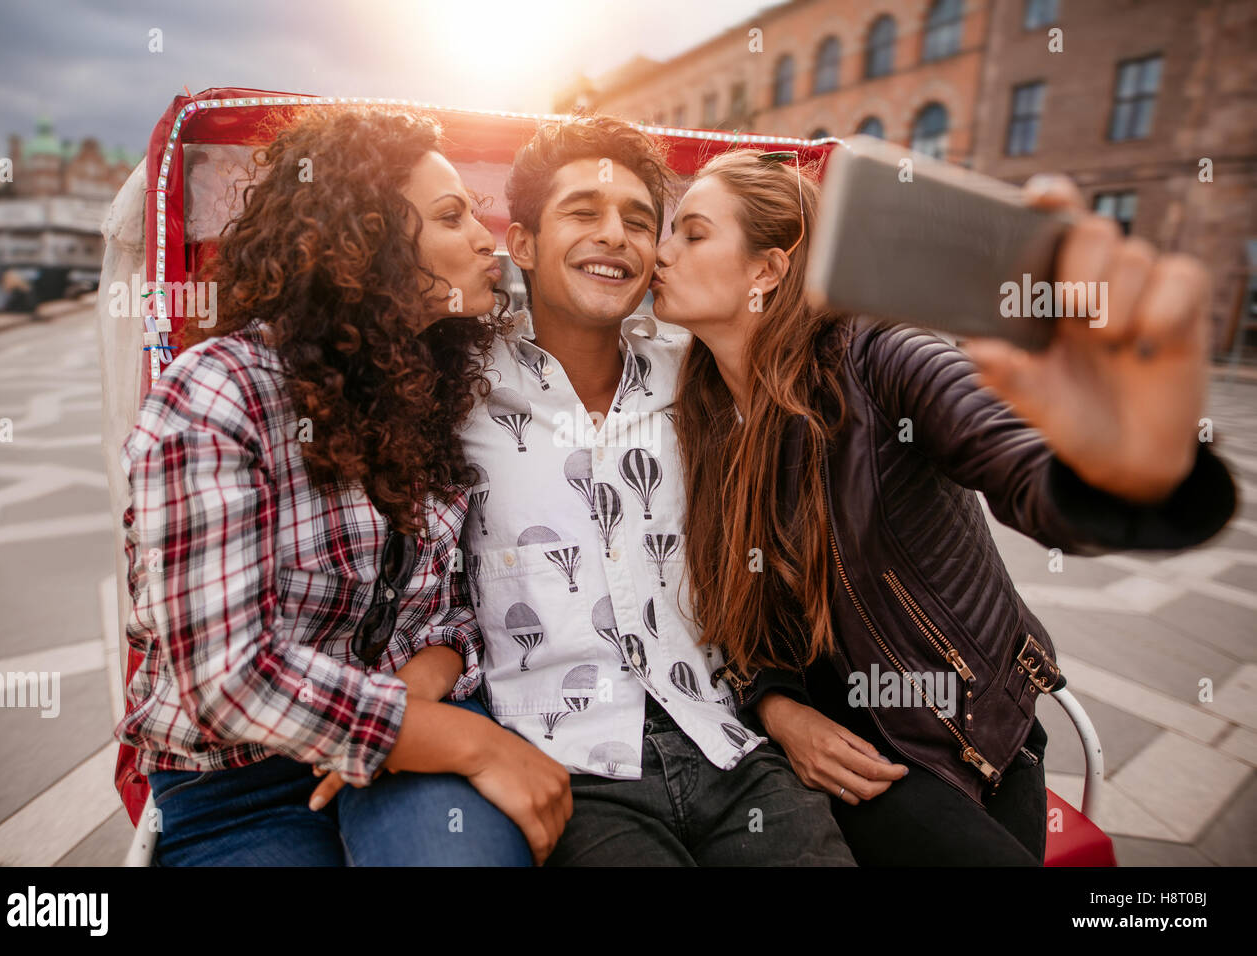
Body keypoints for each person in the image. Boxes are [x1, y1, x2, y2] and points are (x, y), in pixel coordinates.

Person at [651, 148, 1237, 865]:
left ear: (767, 269)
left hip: (960, 728)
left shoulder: (878, 355)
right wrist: (778, 708)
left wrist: (1129, 466)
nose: (661, 251)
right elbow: (743, 610)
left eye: (692, 233)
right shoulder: (704, 413)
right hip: (841, 743)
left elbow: (1024, 472)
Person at [117, 106, 571, 866]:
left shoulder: (432, 392)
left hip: (417, 741)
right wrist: (468, 743)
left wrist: (427, 694)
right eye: (452, 216)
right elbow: (228, 678)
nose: (486, 239)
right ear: (365, 242)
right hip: (239, 788)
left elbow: (455, 611)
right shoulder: (218, 395)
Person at [456, 115, 854, 866]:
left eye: (640, 221)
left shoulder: (699, 371)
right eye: (584, 212)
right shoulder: (456, 389)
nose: (616, 236)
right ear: (525, 245)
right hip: (570, 766)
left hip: (727, 744)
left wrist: (779, 702)